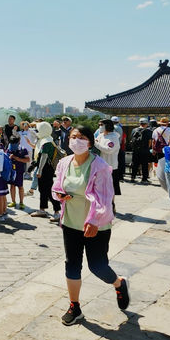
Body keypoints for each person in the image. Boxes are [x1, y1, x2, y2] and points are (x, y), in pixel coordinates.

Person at [51, 125, 130, 326]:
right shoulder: (63, 163)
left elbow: (105, 198)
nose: (76, 141)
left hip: (96, 224)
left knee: (98, 266)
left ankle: (119, 284)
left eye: (81, 137)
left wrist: (94, 221)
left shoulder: (100, 166)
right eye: (73, 137)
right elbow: (57, 185)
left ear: (90, 141)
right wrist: (60, 194)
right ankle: (74, 306)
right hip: (70, 221)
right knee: (72, 264)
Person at [33, 122, 61, 221]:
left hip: (46, 169)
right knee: (43, 190)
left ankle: (57, 212)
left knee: (49, 190)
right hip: (45, 169)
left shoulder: (46, 142)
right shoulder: (47, 140)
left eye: (38, 130)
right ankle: (42, 209)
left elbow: (43, 158)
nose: (36, 132)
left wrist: (39, 171)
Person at [95, 119, 121, 197]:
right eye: (99, 125)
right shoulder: (101, 135)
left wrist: (95, 143)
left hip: (110, 165)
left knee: (111, 188)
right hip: (100, 165)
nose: (100, 127)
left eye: (101, 125)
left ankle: (112, 204)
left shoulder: (113, 137)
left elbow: (109, 150)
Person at [7, 134, 30, 211]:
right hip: (11, 171)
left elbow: (27, 160)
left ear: (19, 142)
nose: (12, 145)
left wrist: (16, 158)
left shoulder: (23, 149)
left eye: (14, 143)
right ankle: (13, 201)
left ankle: (21, 202)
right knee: (12, 186)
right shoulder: (9, 149)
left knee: (20, 186)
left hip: (19, 171)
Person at [130, 118, 152, 183]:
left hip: (135, 150)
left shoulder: (134, 130)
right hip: (144, 150)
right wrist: (147, 148)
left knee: (135, 163)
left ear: (139, 123)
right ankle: (144, 179)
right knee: (144, 164)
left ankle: (133, 177)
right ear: (146, 124)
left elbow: (131, 139)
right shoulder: (148, 131)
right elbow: (150, 142)